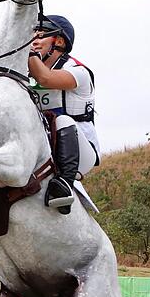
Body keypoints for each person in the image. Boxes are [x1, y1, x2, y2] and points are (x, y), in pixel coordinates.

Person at [28, 15, 99, 214]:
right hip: (43, 145)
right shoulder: (26, 73)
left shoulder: (78, 71)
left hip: (79, 151)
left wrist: (29, 52)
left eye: (40, 36)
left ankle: (64, 186)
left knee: (62, 120)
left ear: (59, 41)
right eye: (31, 35)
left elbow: (45, 78)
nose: (33, 40)